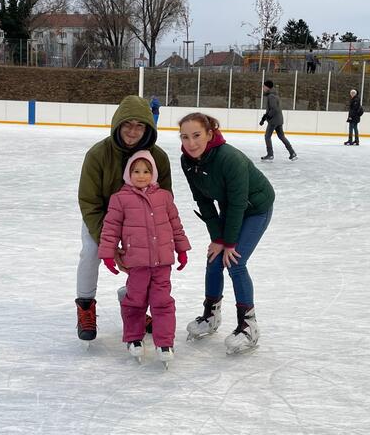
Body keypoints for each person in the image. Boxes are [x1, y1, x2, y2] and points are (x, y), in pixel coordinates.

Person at [76, 95, 172, 341]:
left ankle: (132, 302)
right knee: (90, 250)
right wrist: (108, 244)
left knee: (149, 261)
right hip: (103, 219)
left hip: (140, 223)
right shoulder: (97, 154)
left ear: (148, 128)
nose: (132, 131)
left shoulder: (158, 158)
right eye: (127, 124)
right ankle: (85, 307)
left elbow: (164, 200)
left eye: (139, 125)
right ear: (117, 124)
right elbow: (90, 202)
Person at [179, 113, 275, 355]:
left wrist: (229, 242)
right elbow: (203, 201)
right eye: (185, 137)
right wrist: (217, 239)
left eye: (197, 135)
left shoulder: (229, 159)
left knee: (235, 262)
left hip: (255, 208)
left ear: (210, 134)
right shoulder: (187, 161)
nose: (191, 143)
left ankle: (248, 326)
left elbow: (237, 203)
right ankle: (210, 315)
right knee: (214, 258)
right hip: (231, 208)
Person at [98, 150, 190, 365]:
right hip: (136, 263)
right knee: (135, 302)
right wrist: (108, 255)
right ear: (128, 174)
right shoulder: (120, 199)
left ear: (154, 173)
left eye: (146, 171)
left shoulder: (164, 197)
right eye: (136, 171)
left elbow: (175, 225)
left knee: (162, 303)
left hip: (162, 262)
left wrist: (182, 249)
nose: (141, 176)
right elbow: (110, 228)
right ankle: (133, 338)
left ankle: (165, 342)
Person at [259, 80, 297, 161]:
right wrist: (264, 118)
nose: (262, 88)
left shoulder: (271, 96)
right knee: (281, 136)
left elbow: (274, 109)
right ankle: (292, 153)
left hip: (274, 120)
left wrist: (267, 117)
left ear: (267, 87)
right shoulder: (274, 95)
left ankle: (270, 154)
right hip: (279, 119)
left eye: (263, 86)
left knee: (267, 136)